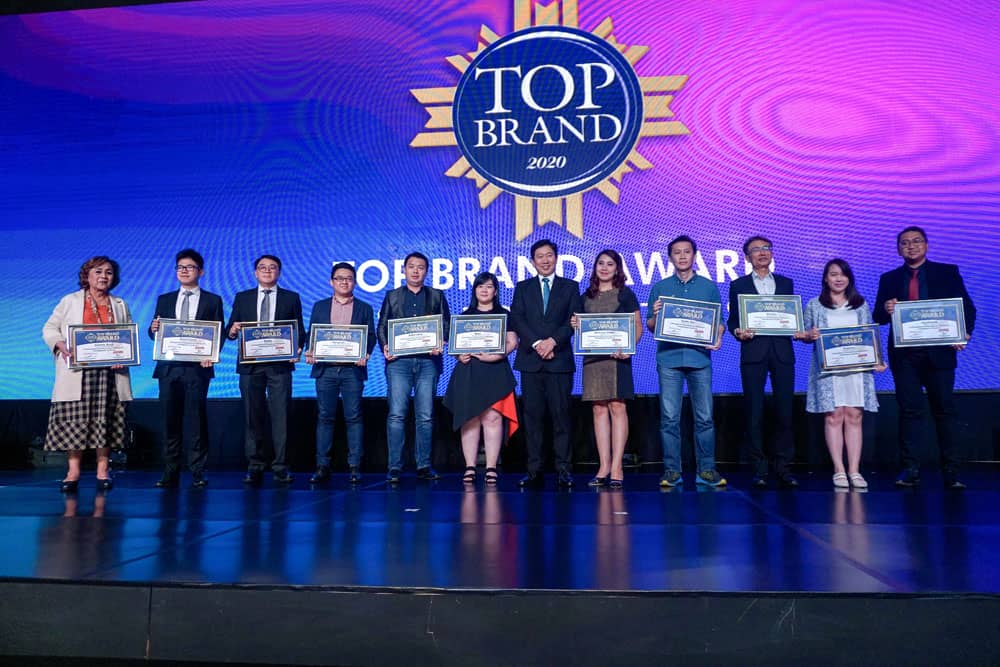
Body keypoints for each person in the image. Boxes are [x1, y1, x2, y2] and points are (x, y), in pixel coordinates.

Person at [873, 226, 976, 489]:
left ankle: (951, 472)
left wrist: (964, 333)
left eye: (917, 241)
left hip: (939, 354)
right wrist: (886, 308)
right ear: (898, 249)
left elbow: (966, 307)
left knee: (945, 411)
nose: (911, 246)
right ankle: (910, 470)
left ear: (926, 245)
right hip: (905, 356)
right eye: (905, 243)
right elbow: (878, 317)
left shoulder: (947, 272)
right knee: (909, 412)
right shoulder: (889, 278)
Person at [42, 256, 133, 493]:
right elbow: (50, 328)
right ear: (87, 275)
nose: (104, 276)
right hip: (78, 371)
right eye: (98, 271)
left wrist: (123, 356)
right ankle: (73, 472)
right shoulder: (70, 300)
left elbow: (127, 336)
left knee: (107, 420)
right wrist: (60, 344)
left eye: (109, 272)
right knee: (76, 422)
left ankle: (103, 471)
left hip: (110, 373)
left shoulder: (120, 304)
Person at [647, 235, 727, 488]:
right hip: (669, 359)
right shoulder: (660, 287)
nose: (682, 256)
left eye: (687, 251)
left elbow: (719, 322)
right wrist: (656, 316)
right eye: (677, 252)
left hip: (699, 359)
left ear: (694, 255)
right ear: (670, 257)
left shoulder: (708, 287)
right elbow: (650, 325)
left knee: (704, 418)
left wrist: (718, 337)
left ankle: (707, 469)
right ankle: (672, 470)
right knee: (669, 418)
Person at [727, 236, 805, 488]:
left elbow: (791, 315)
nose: (762, 253)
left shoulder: (785, 282)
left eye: (766, 248)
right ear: (747, 257)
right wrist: (738, 331)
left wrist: (798, 328)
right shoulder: (738, 285)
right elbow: (733, 319)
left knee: (785, 410)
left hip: (782, 352)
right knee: (754, 411)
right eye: (756, 250)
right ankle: (759, 468)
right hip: (753, 352)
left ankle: (783, 467)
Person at [802, 259, 884, 489]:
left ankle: (854, 471)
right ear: (825, 278)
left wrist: (878, 359)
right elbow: (802, 334)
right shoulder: (815, 305)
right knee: (834, 416)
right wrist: (809, 335)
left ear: (849, 278)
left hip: (856, 370)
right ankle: (839, 470)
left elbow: (869, 335)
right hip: (829, 372)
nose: (838, 279)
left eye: (843, 274)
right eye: (833, 274)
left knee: (854, 416)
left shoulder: (861, 304)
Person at [226, 254, 306, 487]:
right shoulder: (243, 297)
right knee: (252, 416)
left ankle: (281, 466)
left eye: (272, 267)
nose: (267, 271)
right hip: (250, 365)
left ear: (279, 272)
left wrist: (298, 346)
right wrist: (233, 330)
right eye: (262, 267)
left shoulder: (291, 297)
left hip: (280, 365)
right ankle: (255, 466)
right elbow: (231, 330)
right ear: (255, 272)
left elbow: (299, 329)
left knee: (281, 417)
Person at [148, 249, 226, 489]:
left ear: (200, 272)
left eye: (189, 267)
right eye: (180, 267)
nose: (184, 270)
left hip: (197, 370)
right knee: (169, 421)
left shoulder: (213, 300)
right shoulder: (165, 299)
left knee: (196, 421)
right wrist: (153, 329)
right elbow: (155, 333)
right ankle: (170, 470)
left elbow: (219, 332)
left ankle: (197, 471)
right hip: (169, 369)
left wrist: (211, 355)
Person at [511, 239, 582, 489]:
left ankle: (564, 471)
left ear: (556, 258)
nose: (545, 260)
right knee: (532, 419)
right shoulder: (522, 288)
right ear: (532, 261)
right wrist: (537, 344)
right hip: (531, 362)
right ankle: (534, 471)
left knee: (561, 417)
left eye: (549, 255)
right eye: (540, 256)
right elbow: (517, 319)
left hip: (559, 360)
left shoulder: (570, 287)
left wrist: (552, 342)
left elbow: (573, 320)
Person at [569, 250, 642, 489]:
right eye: (600, 263)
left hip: (617, 359)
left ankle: (617, 467)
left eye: (610, 264)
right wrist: (575, 324)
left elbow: (637, 325)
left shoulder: (625, 294)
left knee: (617, 406)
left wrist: (630, 348)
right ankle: (603, 466)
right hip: (593, 360)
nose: (604, 267)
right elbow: (582, 329)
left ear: (617, 268)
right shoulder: (585, 296)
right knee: (598, 409)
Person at [377, 251, 451, 483]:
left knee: (426, 416)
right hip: (398, 363)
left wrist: (441, 340)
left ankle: (424, 465)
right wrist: (385, 345)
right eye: (411, 266)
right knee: (396, 415)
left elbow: (446, 324)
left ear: (426, 271)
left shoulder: (437, 295)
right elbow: (382, 326)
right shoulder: (392, 296)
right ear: (404, 270)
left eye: (420, 267)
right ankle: (394, 467)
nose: (416, 271)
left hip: (428, 363)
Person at [443, 272, 519, 485]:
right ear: (474, 290)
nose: (484, 290)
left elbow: (512, 342)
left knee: (493, 419)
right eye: (480, 286)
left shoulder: (504, 314)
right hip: (469, 371)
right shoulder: (464, 316)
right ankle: (470, 466)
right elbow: (454, 346)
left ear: (496, 291)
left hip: (495, 371)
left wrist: (497, 355)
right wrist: (459, 355)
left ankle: (491, 467)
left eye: (489, 286)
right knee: (469, 419)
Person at [305, 262, 377, 485]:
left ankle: (354, 467)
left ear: (354, 282)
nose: (344, 282)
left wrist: (365, 352)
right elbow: (312, 333)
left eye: (349, 278)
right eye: (339, 278)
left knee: (354, 417)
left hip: (352, 371)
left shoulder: (364, 307)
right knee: (324, 417)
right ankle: (322, 466)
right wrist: (311, 350)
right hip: (325, 370)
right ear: (331, 282)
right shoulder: (319, 306)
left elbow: (371, 336)